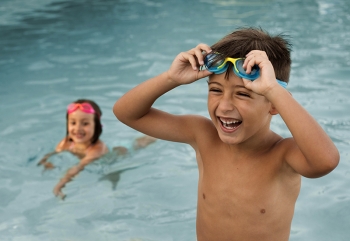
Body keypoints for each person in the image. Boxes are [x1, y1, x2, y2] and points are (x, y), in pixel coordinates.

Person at [113, 27, 340, 241]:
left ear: (274, 104)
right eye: (215, 90)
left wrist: (273, 89)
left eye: (242, 94)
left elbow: (326, 161)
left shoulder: (283, 155)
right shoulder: (203, 136)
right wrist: (170, 78)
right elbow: (127, 113)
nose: (224, 106)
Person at [38, 99, 156, 199]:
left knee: (140, 143)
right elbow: (53, 153)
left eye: (85, 123)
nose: (78, 128)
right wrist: (46, 162)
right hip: (110, 148)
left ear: (97, 126)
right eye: (73, 123)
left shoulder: (97, 149)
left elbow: (79, 167)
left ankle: (155, 133)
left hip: (121, 152)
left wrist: (61, 184)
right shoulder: (67, 142)